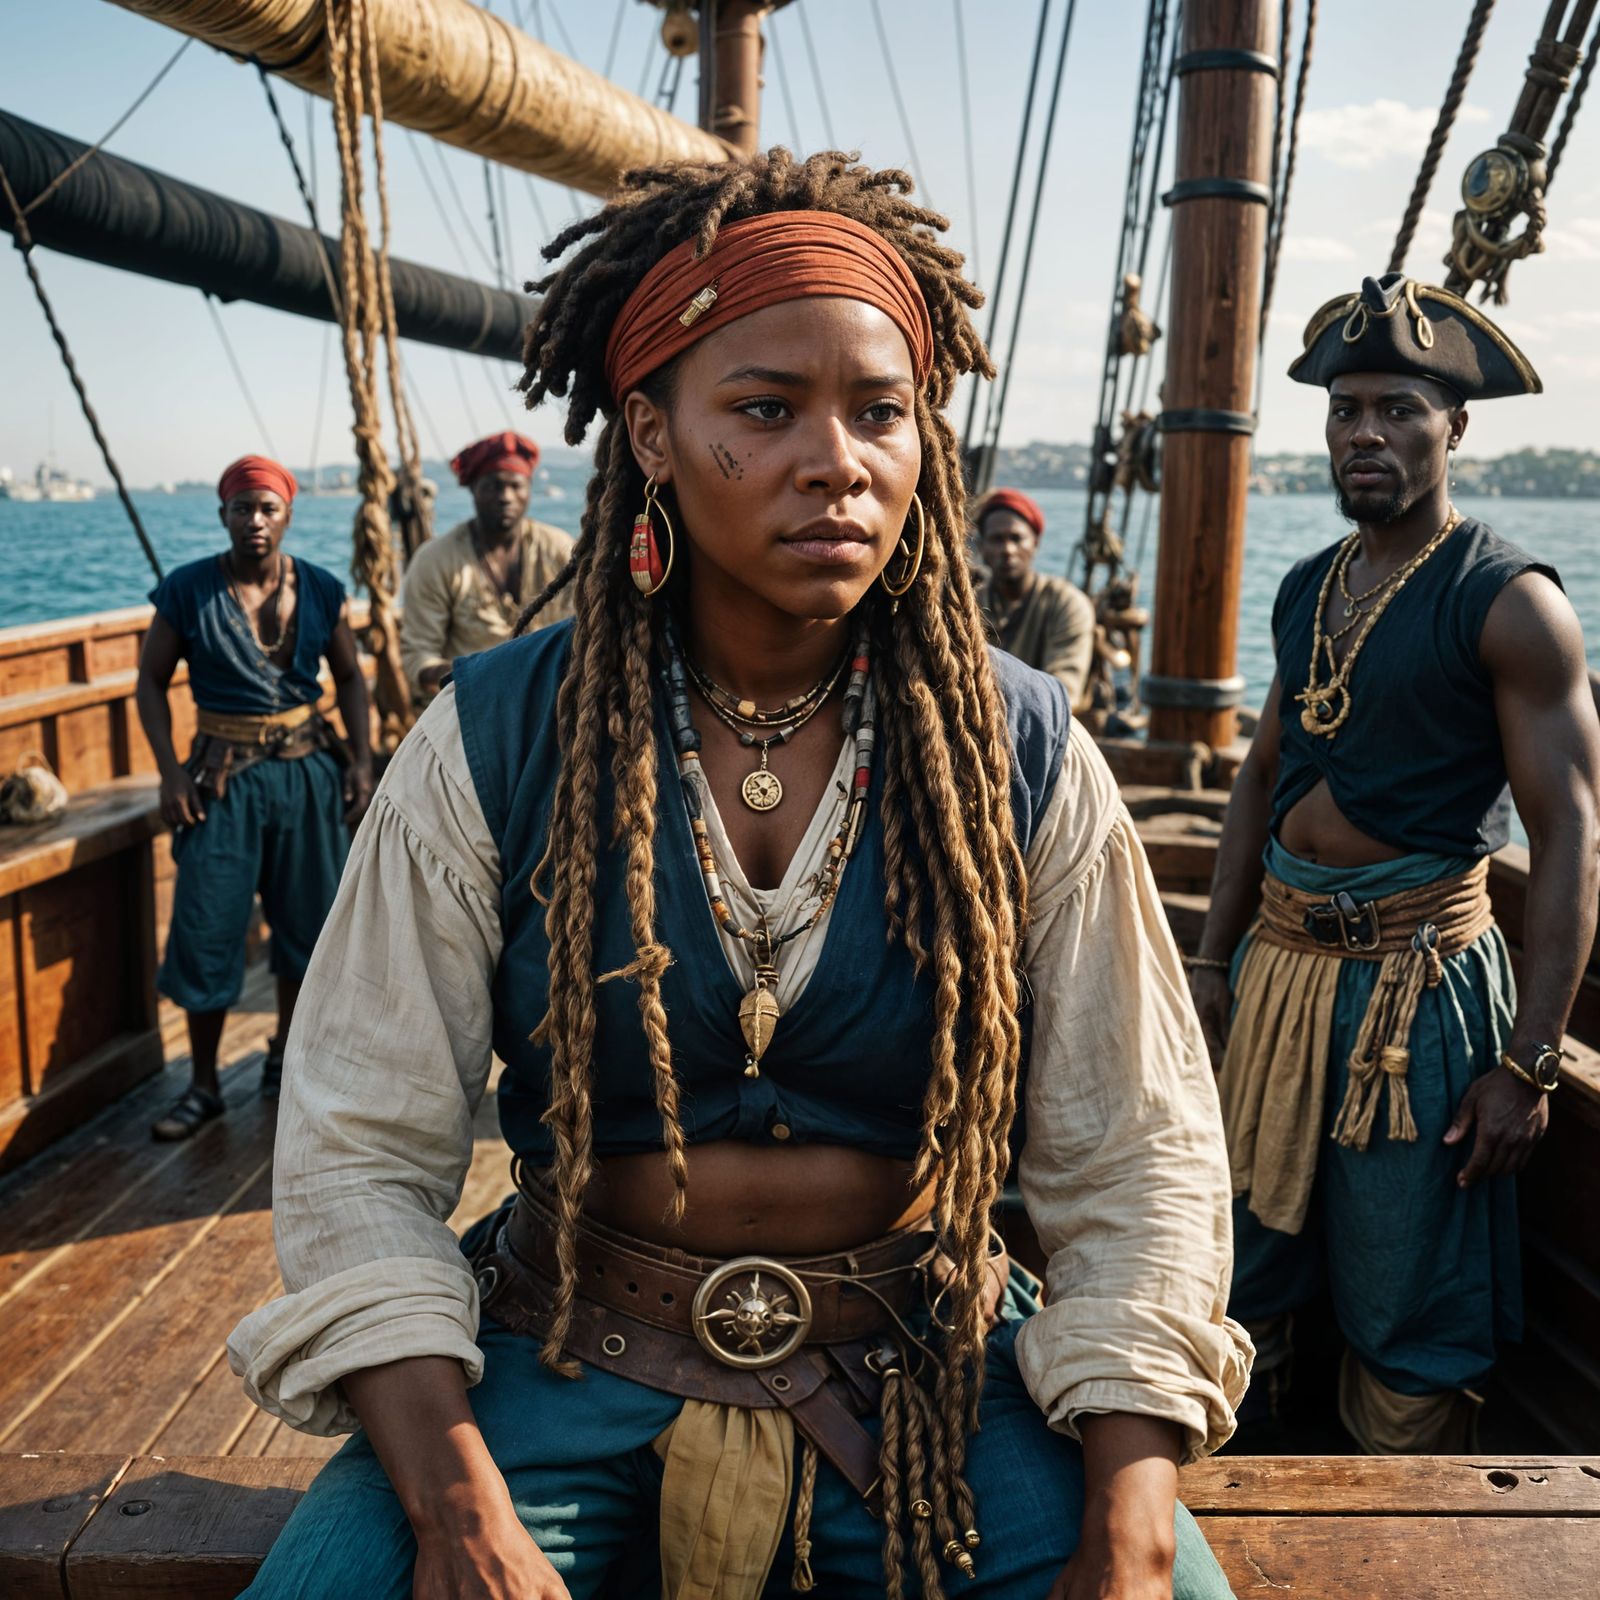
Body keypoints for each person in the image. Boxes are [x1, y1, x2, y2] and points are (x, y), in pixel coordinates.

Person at [228, 152, 1249, 1600]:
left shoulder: (1016, 748)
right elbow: (357, 1154)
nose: (836, 458)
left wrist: (1135, 1532)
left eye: (880, 413)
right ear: (649, 432)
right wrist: (457, 1511)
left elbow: (1138, 1161)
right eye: (764, 410)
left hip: (930, 1369)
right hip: (568, 1346)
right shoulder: (496, 737)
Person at [1188, 273, 1600, 1453]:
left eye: (1398, 410)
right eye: (1345, 409)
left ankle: (1396, 1536)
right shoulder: (1308, 586)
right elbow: (1259, 776)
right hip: (1277, 973)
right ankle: (1236, 1501)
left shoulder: (1509, 602)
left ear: (1453, 427)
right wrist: (1215, 959)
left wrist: (1529, 1064)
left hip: (1412, 999)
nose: (1364, 432)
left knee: (1404, 1285)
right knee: (1242, 1250)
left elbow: (1568, 834)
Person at [136, 455, 373, 1140]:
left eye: (268, 508)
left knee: (310, 929)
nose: (255, 520)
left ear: (287, 516)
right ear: (224, 517)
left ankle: (284, 1059)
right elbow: (150, 682)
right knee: (207, 927)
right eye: (243, 508)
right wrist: (168, 773)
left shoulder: (323, 589)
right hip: (223, 779)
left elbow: (352, 678)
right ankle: (203, 1085)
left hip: (307, 775)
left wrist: (358, 761)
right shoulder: (186, 592)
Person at [399, 430, 575, 699]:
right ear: (473, 490)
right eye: (493, 485)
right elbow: (418, 656)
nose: (505, 496)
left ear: (528, 489)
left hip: (552, 700)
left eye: (515, 485)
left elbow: (586, 629)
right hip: (470, 705)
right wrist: (471, 678)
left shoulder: (559, 550)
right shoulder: (435, 560)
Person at [974, 488, 1096, 704]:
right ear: (982, 548)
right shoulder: (969, 605)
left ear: (1035, 543)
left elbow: (1065, 692)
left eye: (1016, 538)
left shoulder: (1066, 604)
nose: (1008, 549)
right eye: (996, 539)